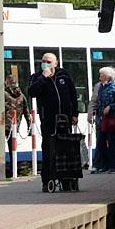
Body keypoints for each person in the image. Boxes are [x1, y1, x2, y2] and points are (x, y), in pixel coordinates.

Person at [28, 53, 78, 192]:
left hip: (65, 119)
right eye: (43, 61)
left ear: (55, 63)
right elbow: (32, 92)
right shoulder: (37, 77)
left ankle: (66, 180)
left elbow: (73, 95)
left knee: (66, 149)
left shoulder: (64, 76)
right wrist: (43, 77)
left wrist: (74, 114)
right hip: (48, 120)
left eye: (49, 61)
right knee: (49, 150)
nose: (46, 64)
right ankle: (47, 179)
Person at [95, 66, 115, 173]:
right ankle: (104, 165)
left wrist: (111, 107)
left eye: (101, 75)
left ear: (107, 77)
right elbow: (99, 101)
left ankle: (114, 165)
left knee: (113, 143)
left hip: (113, 120)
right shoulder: (101, 87)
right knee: (101, 142)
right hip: (103, 120)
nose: (100, 77)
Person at [4, 75, 31, 178]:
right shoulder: (21, 96)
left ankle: (5, 169)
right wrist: (30, 127)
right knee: (12, 148)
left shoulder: (3, 94)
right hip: (15, 126)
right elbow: (27, 113)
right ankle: (13, 169)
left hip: (3, 125)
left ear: (7, 82)